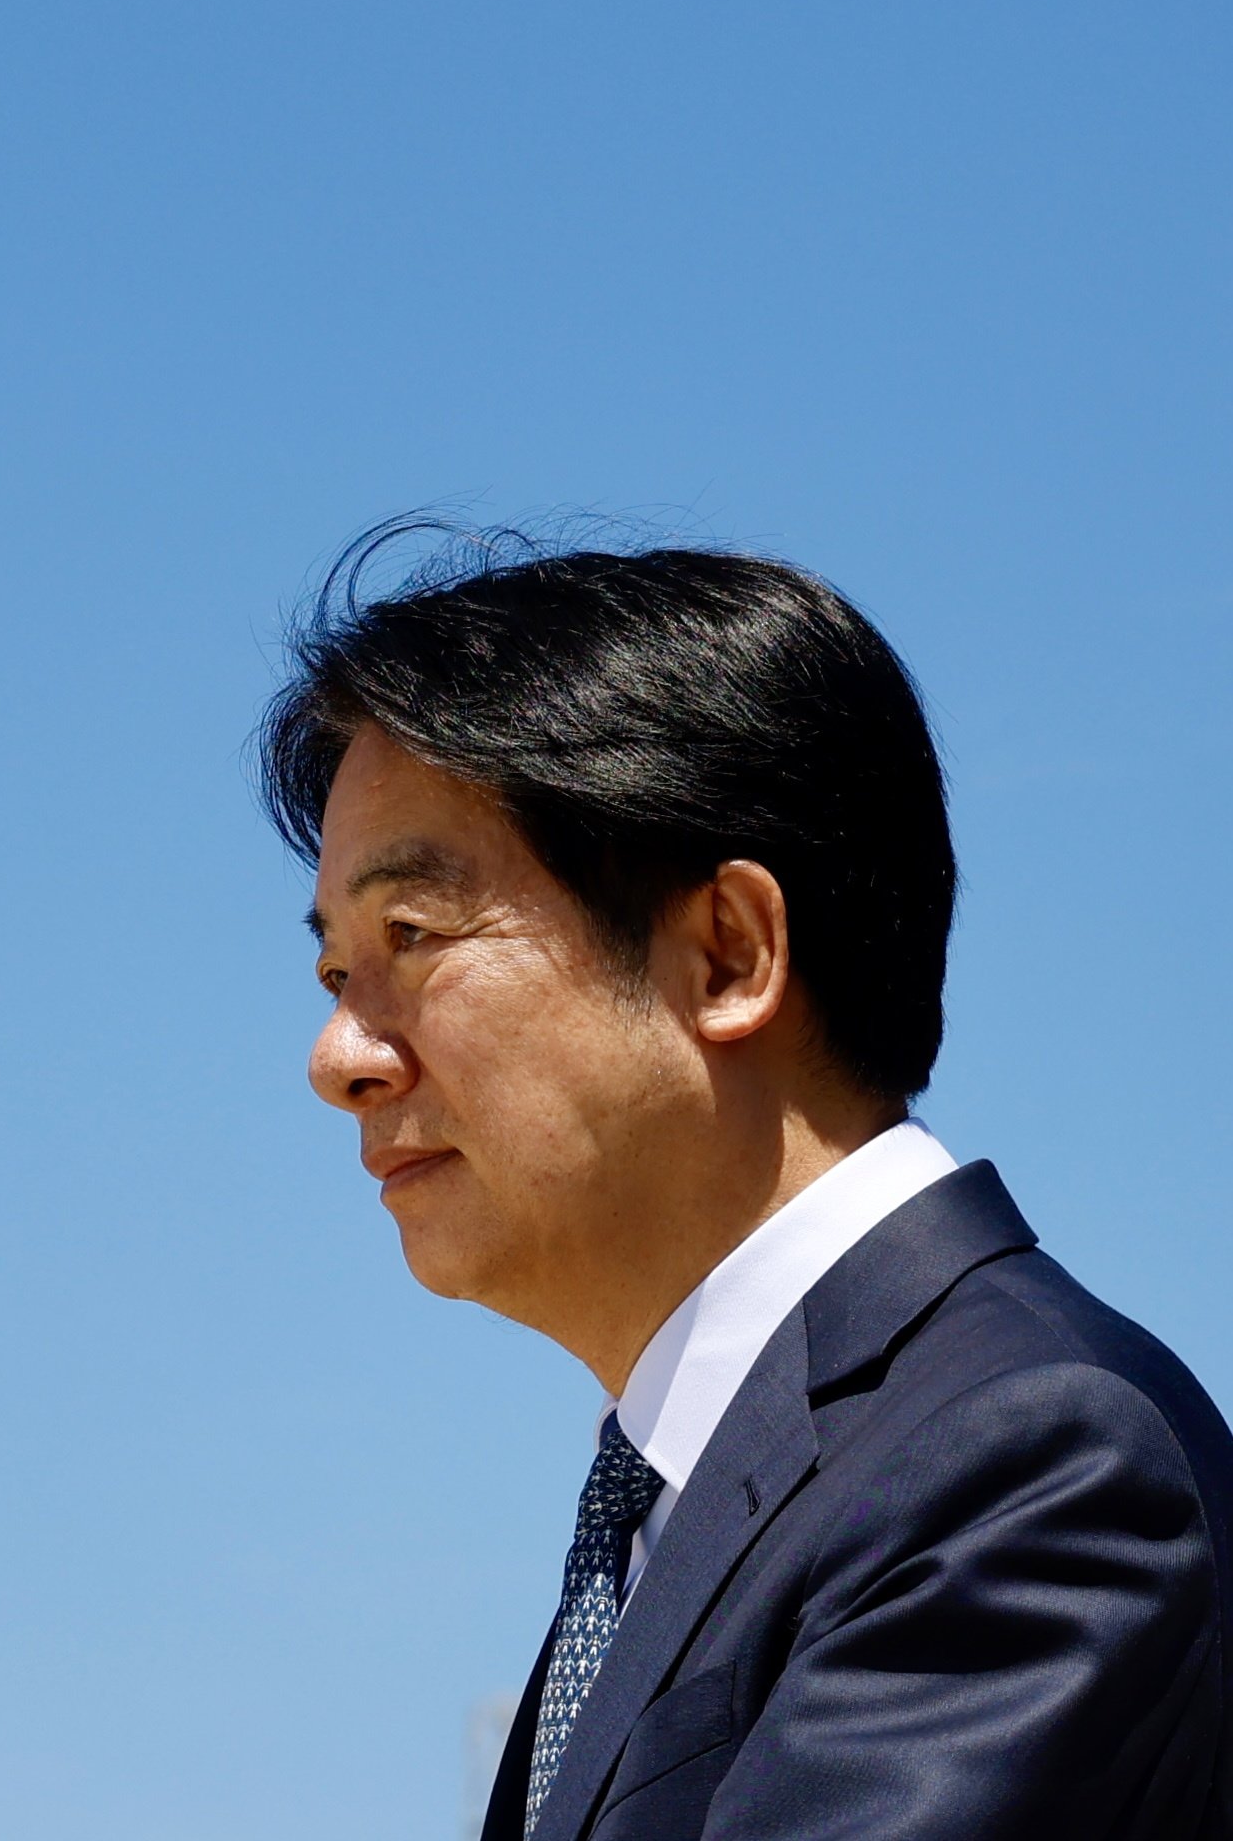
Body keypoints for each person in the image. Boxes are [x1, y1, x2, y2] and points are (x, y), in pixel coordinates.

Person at [262, 526, 1233, 1841]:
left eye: (411, 938)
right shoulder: (680, 1501)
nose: (339, 1059)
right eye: (334, 974)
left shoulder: (1021, 1458)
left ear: (725, 955)